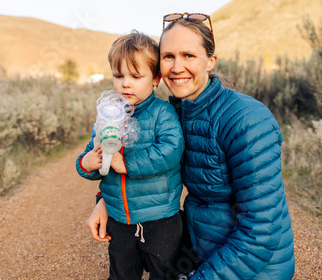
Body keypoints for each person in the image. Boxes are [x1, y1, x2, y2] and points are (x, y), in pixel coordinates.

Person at [87, 14, 295, 279]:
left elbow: (261, 232)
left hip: (253, 267)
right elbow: (149, 172)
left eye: (189, 55)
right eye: (168, 56)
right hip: (201, 250)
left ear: (210, 60)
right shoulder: (176, 112)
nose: (177, 67)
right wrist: (105, 201)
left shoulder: (247, 119)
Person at [76, 31, 184, 280]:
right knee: (122, 273)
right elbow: (92, 153)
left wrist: (125, 163)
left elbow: (170, 151)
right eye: (118, 75)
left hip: (160, 219)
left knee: (164, 272)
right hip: (118, 218)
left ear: (156, 79)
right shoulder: (108, 115)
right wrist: (87, 163)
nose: (125, 83)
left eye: (136, 76)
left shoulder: (162, 113)